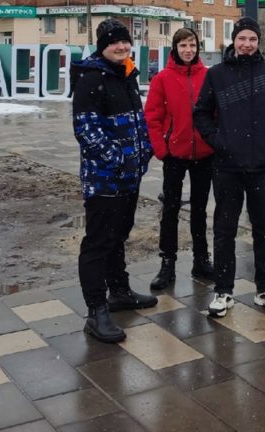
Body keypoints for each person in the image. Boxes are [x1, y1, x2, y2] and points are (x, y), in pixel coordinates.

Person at [193, 16, 265, 317]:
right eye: (242, 38)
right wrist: (219, 141)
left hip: (262, 166)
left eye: (252, 39)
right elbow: (200, 113)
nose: (246, 44)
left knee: (264, 229)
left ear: (258, 42)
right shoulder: (217, 75)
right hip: (227, 167)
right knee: (224, 230)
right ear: (233, 41)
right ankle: (223, 291)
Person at [71, 18, 157, 343]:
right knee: (97, 243)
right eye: (114, 42)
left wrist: (145, 151)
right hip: (104, 181)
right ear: (102, 46)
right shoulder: (91, 79)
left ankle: (119, 291)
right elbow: (86, 130)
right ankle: (96, 311)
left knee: (118, 236)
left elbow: (139, 121)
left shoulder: (127, 75)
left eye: (125, 41)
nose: (121, 47)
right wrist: (119, 159)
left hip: (129, 178)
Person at [144, 27, 215, 290]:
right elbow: (152, 117)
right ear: (175, 48)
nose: (188, 50)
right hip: (175, 154)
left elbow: (215, 112)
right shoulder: (162, 79)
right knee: (171, 209)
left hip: (204, 155)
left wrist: (213, 141)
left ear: (198, 48)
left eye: (192, 45)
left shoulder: (208, 76)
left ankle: (201, 259)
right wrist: (162, 150)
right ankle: (167, 263)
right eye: (183, 45)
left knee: (199, 209)